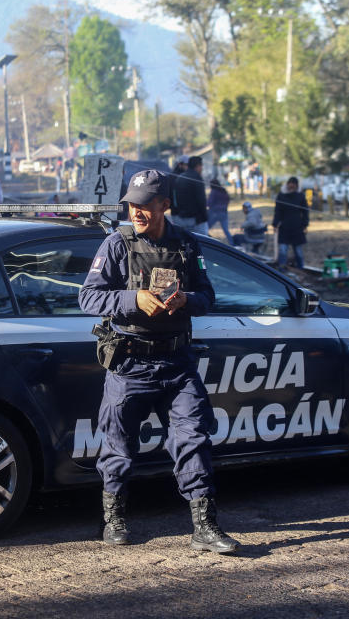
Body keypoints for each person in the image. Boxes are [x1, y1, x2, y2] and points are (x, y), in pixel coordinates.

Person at [79, 169, 239, 554]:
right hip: (130, 362)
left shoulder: (186, 243)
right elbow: (88, 298)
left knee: (193, 439)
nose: (136, 212)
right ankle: (114, 519)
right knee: (118, 446)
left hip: (176, 361)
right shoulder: (117, 244)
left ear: (164, 205)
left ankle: (205, 525)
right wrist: (133, 300)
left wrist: (187, 301)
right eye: (132, 205)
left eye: (145, 205)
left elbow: (207, 295)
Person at [272, 176, 308, 268]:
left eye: (293, 185)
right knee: (283, 249)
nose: (291, 187)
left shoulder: (300, 196)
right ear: (287, 185)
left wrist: (305, 224)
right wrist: (275, 224)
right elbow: (277, 211)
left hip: (297, 227)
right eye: (290, 185)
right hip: (284, 226)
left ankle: (301, 268)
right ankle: (282, 268)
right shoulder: (281, 195)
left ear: (296, 186)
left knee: (298, 251)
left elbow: (305, 211)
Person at [170, 156, 208, 235]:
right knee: (202, 242)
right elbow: (201, 200)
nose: (202, 168)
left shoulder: (180, 178)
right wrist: (205, 217)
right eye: (201, 166)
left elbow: (175, 199)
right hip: (196, 219)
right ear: (198, 166)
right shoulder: (197, 178)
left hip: (181, 217)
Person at [207, 177, 231, 243]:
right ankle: (233, 244)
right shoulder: (223, 190)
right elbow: (228, 200)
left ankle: (206, 241)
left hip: (215, 213)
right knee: (226, 230)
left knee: (206, 228)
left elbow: (209, 203)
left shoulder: (214, 192)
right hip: (224, 213)